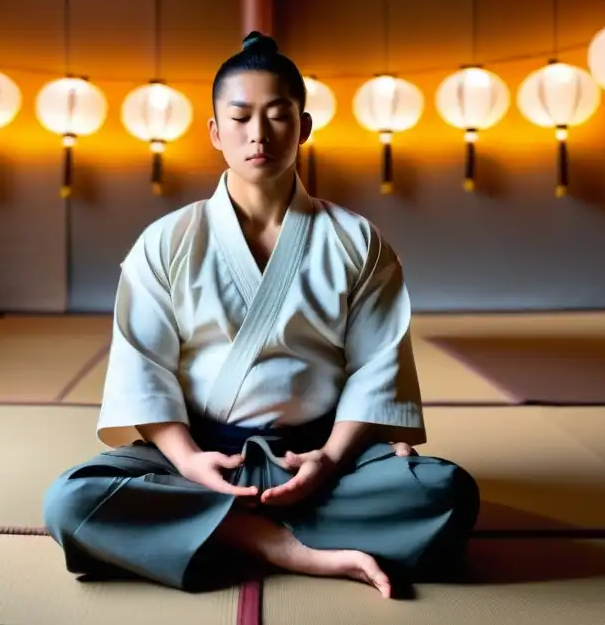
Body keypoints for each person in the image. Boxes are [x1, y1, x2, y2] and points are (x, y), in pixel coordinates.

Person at [42, 31, 480, 599]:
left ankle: (206, 533)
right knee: (71, 500)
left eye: (278, 115)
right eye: (241, 116)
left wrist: (334, 455)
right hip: (200, 461)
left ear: (304, 125)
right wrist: (188, 460)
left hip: (318, 463)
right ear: (215, 131)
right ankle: (284, 547)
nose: (258, 134)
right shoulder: (167, 241)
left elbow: (377, 368)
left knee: (446, 493)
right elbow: (141, 370)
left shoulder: (356, 241)